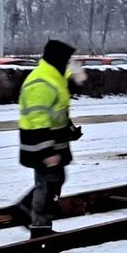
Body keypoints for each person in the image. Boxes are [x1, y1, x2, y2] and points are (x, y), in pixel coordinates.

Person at [17, 39, 83, 238]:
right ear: (59, 59)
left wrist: (70, 130)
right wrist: (47, 152)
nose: (71, 63)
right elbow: (38, 121)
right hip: (41, 146)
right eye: (68, 59)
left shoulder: (54, 76)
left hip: (53, 144)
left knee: (55, 180)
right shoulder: (41, 82)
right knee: (47, 184)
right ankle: (40, 228)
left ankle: (24, 209)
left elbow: (59, 108)